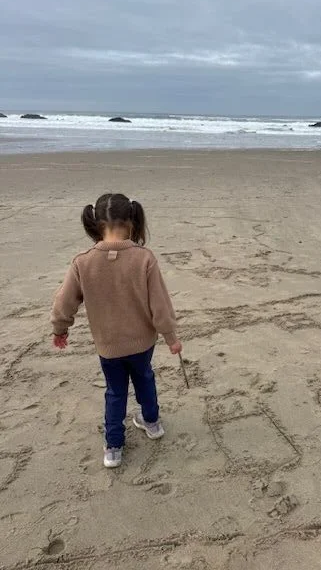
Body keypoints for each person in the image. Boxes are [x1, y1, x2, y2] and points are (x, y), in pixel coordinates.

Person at [51, 193, 182, 468]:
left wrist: (60, 329)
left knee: (115, 391)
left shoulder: (83, 262)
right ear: (132, 222)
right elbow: (160, 304)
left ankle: (113, 448)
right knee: (145, 379)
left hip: (108, 346)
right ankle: (152, 422)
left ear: (98, 224)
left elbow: (65, 302)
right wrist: (171, 338)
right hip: (142, 343)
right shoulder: (144, 258)